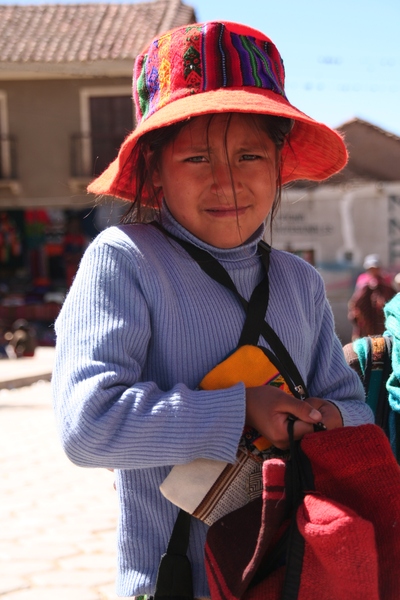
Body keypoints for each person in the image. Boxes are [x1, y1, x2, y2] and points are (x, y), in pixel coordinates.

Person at [51, 21, 374, 599]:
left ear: (279, 164)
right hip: (176, 582)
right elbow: (87, 425)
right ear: (153, 170)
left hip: (291, 574)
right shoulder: (125, 261)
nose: (227, 180)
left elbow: (354, 408)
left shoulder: (298, 281)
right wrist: (241, 411)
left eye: (249, 154)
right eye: (197, 157)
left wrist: (322, 418)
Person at [348, 253, 396, 340]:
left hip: (381, 320)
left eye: (376, 268)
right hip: (366, 321)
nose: (374, 271)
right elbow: (356, 301)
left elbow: (392, 297)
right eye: (371, 269)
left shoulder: (385, 281)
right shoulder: (363, 280)